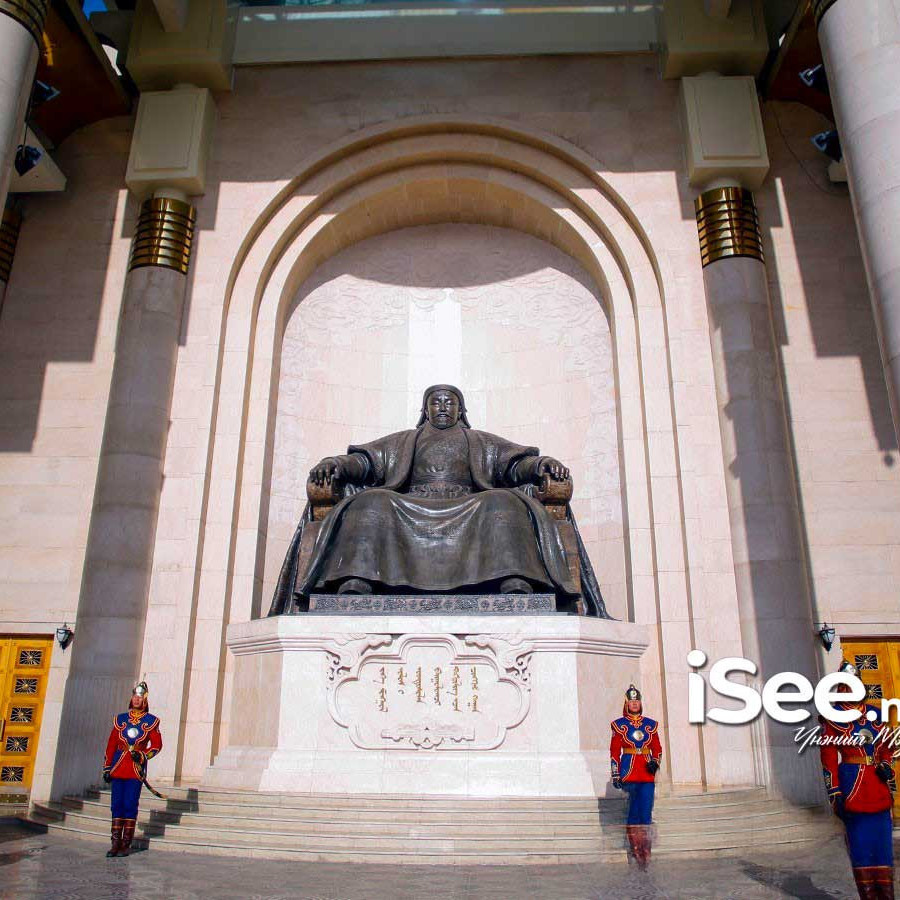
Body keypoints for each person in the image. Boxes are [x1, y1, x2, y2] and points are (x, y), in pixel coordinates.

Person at [270, 384, 609, 617]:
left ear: (461, 409)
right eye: (437, 402)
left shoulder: (479, 440)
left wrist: (541, 464)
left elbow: (514, 465)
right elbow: (366, 462)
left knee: (502, 503)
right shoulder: (405, 440)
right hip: (410, 503)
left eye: (450, 402)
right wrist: (335, 463)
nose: (443, 407)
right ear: (425, 409)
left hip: (469, 503)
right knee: (371, 502)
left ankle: (514, 582)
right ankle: (357, 581)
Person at [819, 660, 895, 899]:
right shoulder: (833, 717)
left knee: (882, 847)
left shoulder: (875, 713)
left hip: (878, 788)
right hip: (853, 787)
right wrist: (834, 793)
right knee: (860, 847)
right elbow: (828, 759)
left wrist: (886, 765)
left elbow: (887, 746)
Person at [102, 680, 162, 857]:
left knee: (129, 804)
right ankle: (115, 843)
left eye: (140, 697)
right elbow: (111, 744)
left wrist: (143, 755)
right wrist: (107, 767)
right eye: (135, 696)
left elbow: (156, 746)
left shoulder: (151, 721)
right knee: (116, 805)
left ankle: (126, 843)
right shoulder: (121, 719)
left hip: (135, 768)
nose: (136, 699)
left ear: (145, 700)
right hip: (118, 766)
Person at [610, 683, 662, 868]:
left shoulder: (650, 725)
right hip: (629, 772)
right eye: (631, 701)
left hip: (646, 773)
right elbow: (615, 751)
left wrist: (655, 761)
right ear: (626, 704)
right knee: (634, 810)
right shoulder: (619, 725)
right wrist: (616, 773)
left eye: (637, 701)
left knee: (646, 811)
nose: (634, 704)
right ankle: (635, 848)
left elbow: (657, 748)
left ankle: (646, 849)